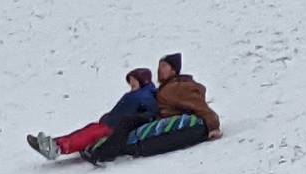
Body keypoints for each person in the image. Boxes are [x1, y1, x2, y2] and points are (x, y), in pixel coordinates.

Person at [82, 53, 221, 164]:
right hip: (157, 117)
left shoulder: (178, 87)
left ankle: (102, 154)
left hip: (163, 118)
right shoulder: (167, 87)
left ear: (173, 70)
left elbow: (198, 105)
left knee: (127, 122)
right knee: (127, 123)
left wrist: (213, 126)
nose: (159, 69)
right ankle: (99, 146)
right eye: (159, 66)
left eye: (164, 66)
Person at [27, 68, 158, 160]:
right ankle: (51, 143)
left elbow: (151, 112)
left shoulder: (145, 95)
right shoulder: (134, 94)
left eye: (134, 80)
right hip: (109, 123)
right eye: (130, 80)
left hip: (115, 128)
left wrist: (137, 119)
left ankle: (57, 149)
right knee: (83, 132)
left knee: (88, 135)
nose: (131, 83)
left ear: (143, 80)